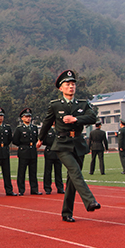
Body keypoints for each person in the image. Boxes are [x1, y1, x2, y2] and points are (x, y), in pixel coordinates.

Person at [37, 69, 101, 223]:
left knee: (72, 180)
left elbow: (93, 117)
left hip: (78, 144)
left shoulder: (82, 104)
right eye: (67, 84)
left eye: (73, 84)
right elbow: (46, 123)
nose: (71, 87)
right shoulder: (55, 105)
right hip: (62, 144)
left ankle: (66, 212)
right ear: (61, 88)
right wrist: (40, 139)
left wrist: (76, 119)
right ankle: (89, 201)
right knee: (75, 171)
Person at [13, 108, 42, 195]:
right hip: (24, 151)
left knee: (33, 172)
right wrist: (23, 145)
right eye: (26, 117)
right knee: (22, 172)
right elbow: (15, 140)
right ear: (22, 118)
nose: (28, 118)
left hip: (32, 151)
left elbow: (36, 138)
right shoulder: (19, 129)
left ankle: (34, 189)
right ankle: (21, 190)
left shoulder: (34, 128)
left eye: (29, 117)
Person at [42, 124, 64, 194]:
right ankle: (47, 188)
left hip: (58, 152)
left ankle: (60, 188)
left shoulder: (60, 129)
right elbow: (44, 141)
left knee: (58, 171)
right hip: (50, 151)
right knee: (48, 171)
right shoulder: (47, 130)